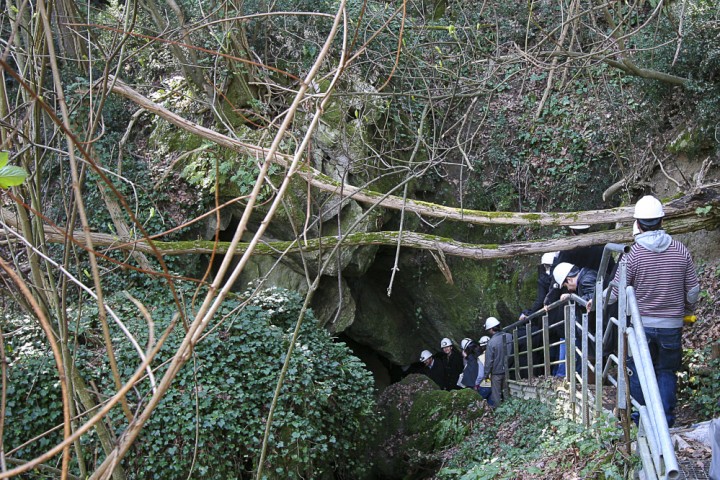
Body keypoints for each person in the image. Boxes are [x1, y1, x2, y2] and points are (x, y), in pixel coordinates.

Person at [611, 195, 699, 428]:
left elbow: (615, 292)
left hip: (642, 326)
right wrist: (687, 310)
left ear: (637, 223)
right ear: (661, 220)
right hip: (672, 325)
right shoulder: (680, 250)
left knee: (639, 371)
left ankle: (642, 422)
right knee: (666, 372)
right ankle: (667, 423)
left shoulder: (633, 254)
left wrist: (596, 302)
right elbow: (693, 291)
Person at [519, 252, 558, 322]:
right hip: (561, 308)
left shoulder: (543, 279)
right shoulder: (561, 274)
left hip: (550, 310)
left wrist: (528, 313)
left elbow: (540, 300)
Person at [482, 317, 510, 407]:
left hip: (496, 373)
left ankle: (500, 412)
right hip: (509, 369)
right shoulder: (509, 336)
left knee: (496, 395)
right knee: (507, 392)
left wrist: (486, 375)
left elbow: (489, 361)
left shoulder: (491, 342)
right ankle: (509, 409)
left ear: (491, 329)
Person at [477, 336, 492, 401]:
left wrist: (476, 384)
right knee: (492, 407)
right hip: (495, 384)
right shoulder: (495, 355)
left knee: (480, 405)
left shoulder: (480, 358)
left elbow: (480, 375)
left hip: (484, 384)